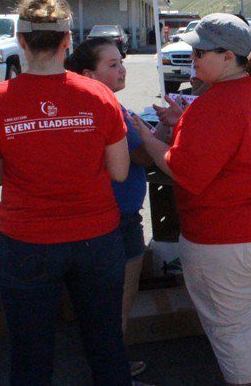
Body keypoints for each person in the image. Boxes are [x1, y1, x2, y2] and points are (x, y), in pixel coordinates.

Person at [130, 14, 251, 386]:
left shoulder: (214, 104)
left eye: (199, 52)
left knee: (233, 325)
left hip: (229, 235)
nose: (192, 58)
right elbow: (233, 143)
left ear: (229, 56)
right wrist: (183, 124)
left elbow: (183, 171)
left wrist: (145, 135)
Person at [0, 0, 133, 385]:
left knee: (30, 352)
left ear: (21, 41)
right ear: (67, 39)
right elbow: (119, 171)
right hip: (96, 239)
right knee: (106, 343)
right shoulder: (99, 95)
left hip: (27, 241)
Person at [64, 37, 153, 379]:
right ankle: (114, 370)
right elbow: (140, 156)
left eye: (121, 62)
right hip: (118, 217)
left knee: (95, 301)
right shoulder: (110, 109)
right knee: (119, 300)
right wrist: (155, 132)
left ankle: (107, 364)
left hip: (89, 216)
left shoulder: (76, 105)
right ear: (88, 72)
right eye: (112, 65)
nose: (121, 70)